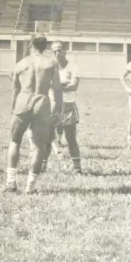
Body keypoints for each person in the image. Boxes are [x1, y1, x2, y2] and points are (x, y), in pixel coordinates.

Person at [7, 34, 63, 193]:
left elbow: (15, 90)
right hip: (41, 101)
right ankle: (30, 188)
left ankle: (11, 182)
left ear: (30, 45)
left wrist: (13, 108)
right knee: (39, 146)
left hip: (23, 100)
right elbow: (57, 89)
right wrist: (58, 108)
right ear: (45, 46)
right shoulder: (51, 63)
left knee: (15, 141)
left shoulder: (20, 63)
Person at [45, 41, 82, 174]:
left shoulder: (73, 66)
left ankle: (77, 168)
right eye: (54, 51)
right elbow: (45, 84)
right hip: (52, 104)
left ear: (65, 51)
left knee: (71, 138)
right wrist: (64, 83)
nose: (56, 53)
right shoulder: (49, 66)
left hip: (68, 105)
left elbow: (74, 86)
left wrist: (55, 85)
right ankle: (42, 166)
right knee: (47, 137)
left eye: (59, 50)